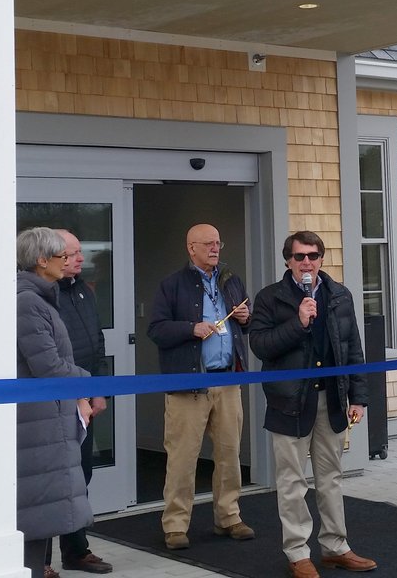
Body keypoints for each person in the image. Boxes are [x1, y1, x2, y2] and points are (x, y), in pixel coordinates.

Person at [249, 231, 377, 578]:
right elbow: (260, 345)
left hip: (331, 399)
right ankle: (297, 553)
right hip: (289, 401)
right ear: (287, 260)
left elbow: (353, 350)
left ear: (322, 258)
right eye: (300, 256)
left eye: (314, 255)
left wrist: (359, 397)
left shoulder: (339, 295)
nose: (307, 262)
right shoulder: (270, 298)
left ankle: (336, 547)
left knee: (331, 478)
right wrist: (298, 321)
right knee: (292, 482)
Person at [147, 223, 255, 550]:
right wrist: (191, 328)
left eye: (218, 243)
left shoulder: (230, 280)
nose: (215, 248)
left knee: (229, 454)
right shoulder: (172, 285)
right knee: (183, 458)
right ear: (190, 247)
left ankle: (229, 517)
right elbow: (156, 329)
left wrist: (246, 318)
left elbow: (244, 325)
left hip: (227, 378)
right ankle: (176, 525)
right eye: (208, 243)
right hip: (189, 384)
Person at [16, 227, 94, 578]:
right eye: (61, 256)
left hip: (49, 417)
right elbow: (46, 365)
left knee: (42, 508)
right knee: (36, 507)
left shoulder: (42, 297)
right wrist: (87, 382)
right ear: (41, 260)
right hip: (38, 420)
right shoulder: (28, 301)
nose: (68, 262)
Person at [53, 229, 113, 574]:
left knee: (80, 475)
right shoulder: (42, 296)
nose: (80, 259)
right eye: (73, 254)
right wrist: (79, 395)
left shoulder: (84, 292)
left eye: (80, 253)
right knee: (53, 479)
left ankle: (76, 550)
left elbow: (96, 342)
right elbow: (51, 355)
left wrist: (98, 390)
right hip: (58, 400)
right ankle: (40, 560)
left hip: (86, 398)